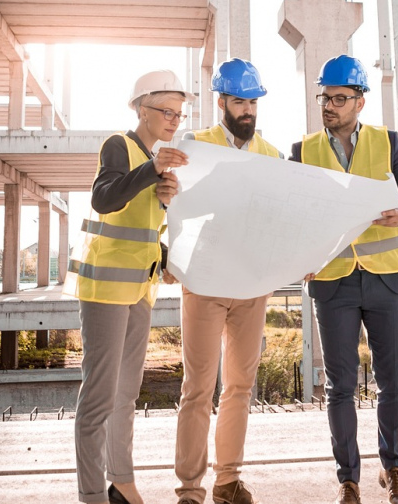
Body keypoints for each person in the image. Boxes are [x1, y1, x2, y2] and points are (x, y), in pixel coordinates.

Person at [289, 55, 398, 504]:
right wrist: (299, 256)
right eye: (324, 97)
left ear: (360, 102)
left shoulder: (387, 143)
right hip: (333, 283)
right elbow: (291, 215)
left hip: (386, 280)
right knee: (341, 387)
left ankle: (393, 470)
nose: (328, 105)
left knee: (393, 381)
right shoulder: (303, 150)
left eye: (339, 98)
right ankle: (348, 480)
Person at [64, 70, 192, 504]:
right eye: (166, 111)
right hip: (104, 289)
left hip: (140, 289)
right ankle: (91, 494)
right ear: (142, 108)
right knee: (99, 396)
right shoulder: (119, 144)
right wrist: (151, 170)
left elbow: (142, 228)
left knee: (125, 394)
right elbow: (104, 198)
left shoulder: (154, 159)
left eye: (179, 113)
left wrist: (163, 199)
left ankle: (121, 481)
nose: (174, 119)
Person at [173, 58, 281, 504]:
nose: (248, 110)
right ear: (221, 102)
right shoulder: (195, 145)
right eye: (240, 101)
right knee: (197, 387)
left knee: (239, 387)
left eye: (253, 102)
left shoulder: (272, 155)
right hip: (205, 281)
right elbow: (174, 205)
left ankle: (227, 480)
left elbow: (281, 218)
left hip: (252, 285)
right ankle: (190, 489)